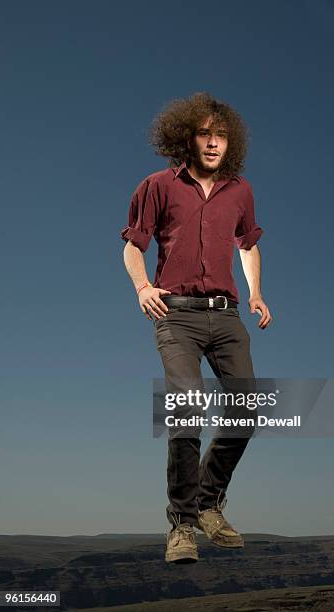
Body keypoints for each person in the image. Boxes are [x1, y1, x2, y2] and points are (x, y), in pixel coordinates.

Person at [121, 92, 272, 564]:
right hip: (176, 314)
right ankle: (182, 525)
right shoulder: (157, 185)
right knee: (186, 411)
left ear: (232, 144)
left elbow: (247, 245)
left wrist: (256, 294)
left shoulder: (241, 191)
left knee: (248, 410)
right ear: (186, 136)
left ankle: (209, 503)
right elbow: (133, 244)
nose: (212, 143)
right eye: (204, 133)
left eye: (221, 135)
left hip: (226, 314)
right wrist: (143, 286)